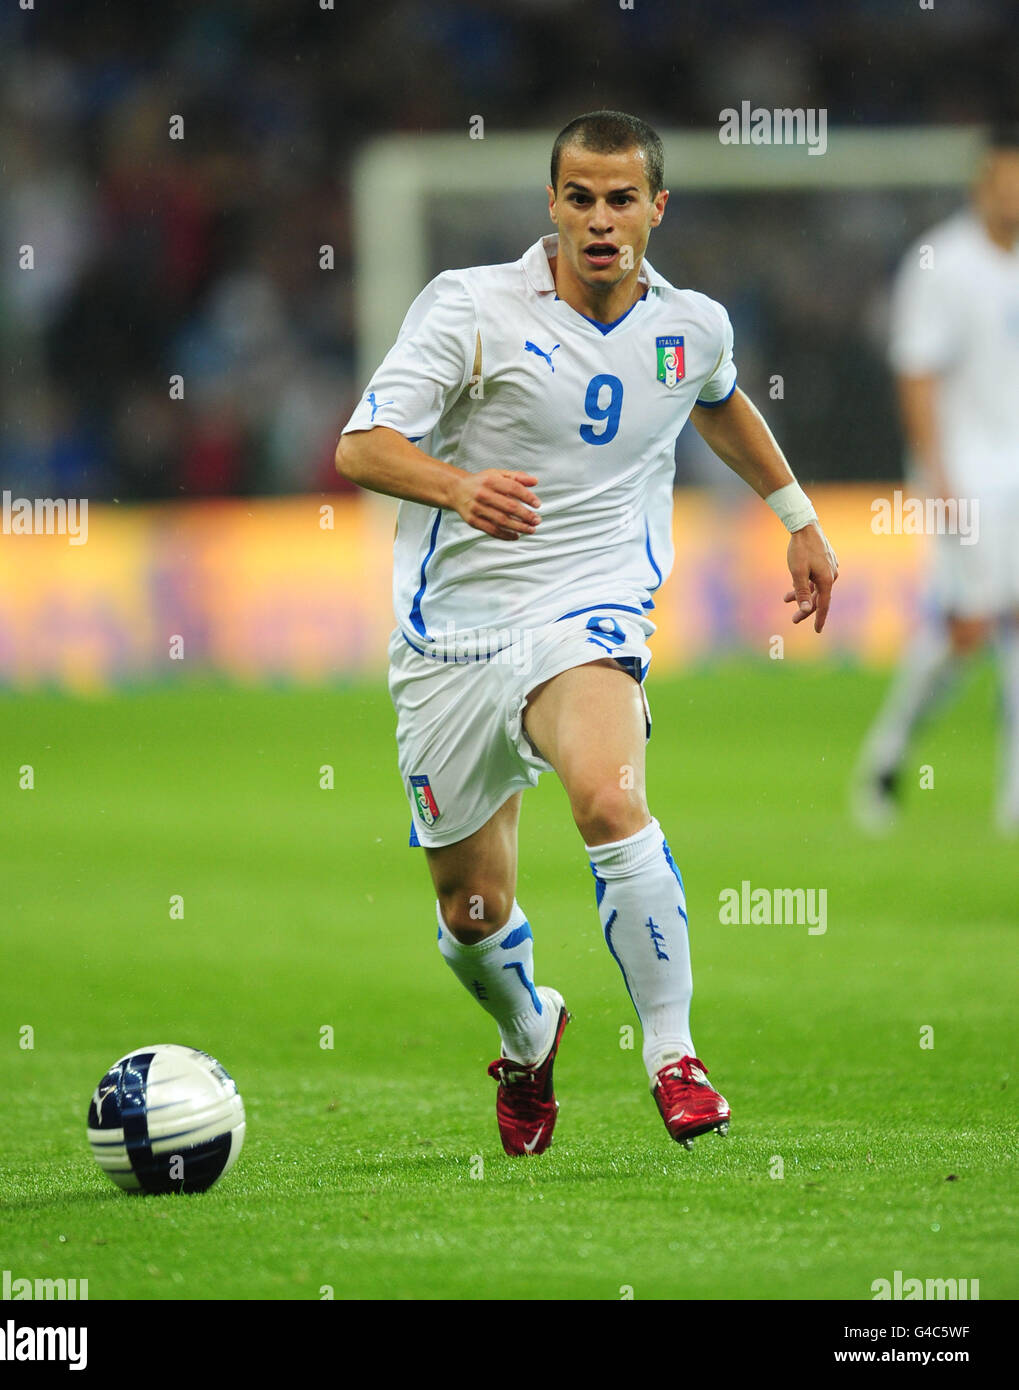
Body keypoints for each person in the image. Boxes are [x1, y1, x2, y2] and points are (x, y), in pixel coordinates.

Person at [335, 110, 838, 1154]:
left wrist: (799, 519)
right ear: (552, 205)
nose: (600, 221)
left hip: (589, 607)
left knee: (611, 798)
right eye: (580, 198)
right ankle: (530, 1032)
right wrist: (458, 485)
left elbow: (720, 401)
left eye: (621, 199)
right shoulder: (469, 306)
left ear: (658, 207)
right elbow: (363, 446)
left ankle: (674, 1055)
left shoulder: (691, 324)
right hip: (453, 638)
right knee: (471, 914)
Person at [854, 125, 1019, 835]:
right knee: (968, 628)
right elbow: (915, 373)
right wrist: (936, 476)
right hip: (965, 475)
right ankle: (887, 752)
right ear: (981, 181)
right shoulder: (942, 262)